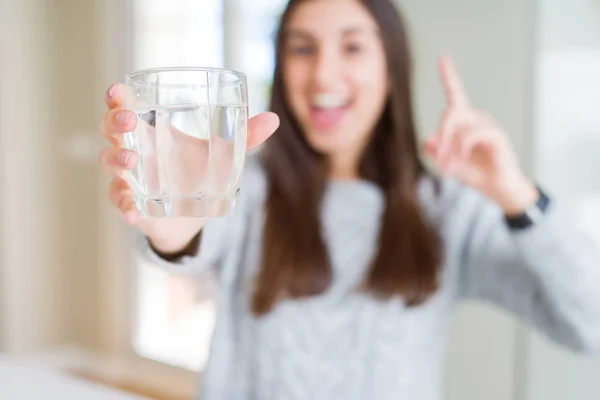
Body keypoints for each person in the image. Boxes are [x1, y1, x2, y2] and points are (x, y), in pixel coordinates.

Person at [99, 0, 600, 399]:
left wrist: (517, 195)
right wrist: (178, 225)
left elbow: (590, 326)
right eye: (302, 49)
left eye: (353, 48)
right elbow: (195, 237)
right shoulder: (249, 188)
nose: (323, 75)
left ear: (391, 67)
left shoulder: (450, 211)